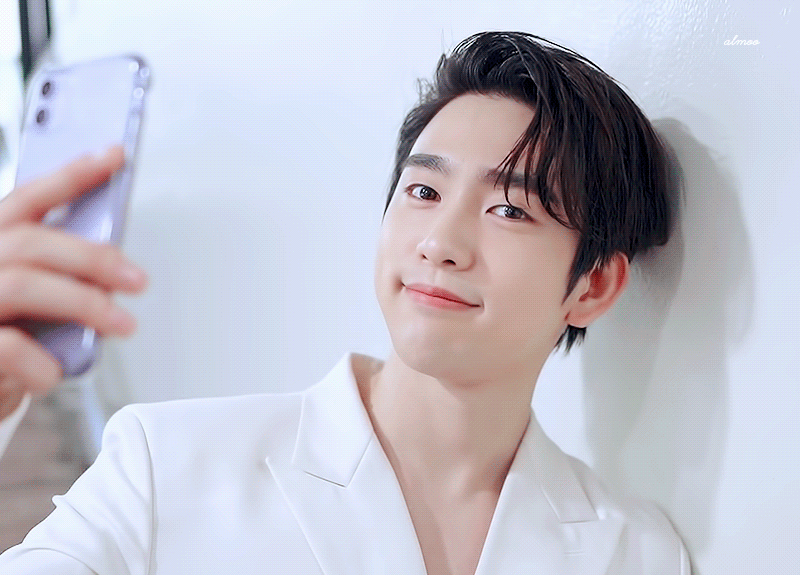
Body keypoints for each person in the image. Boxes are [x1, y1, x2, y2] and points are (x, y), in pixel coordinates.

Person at [0, 31, 689, 574]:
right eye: (423, 191)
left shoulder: (635, 554)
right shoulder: (165, 464)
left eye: (509, 209)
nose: (441, 243)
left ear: (592, 286)